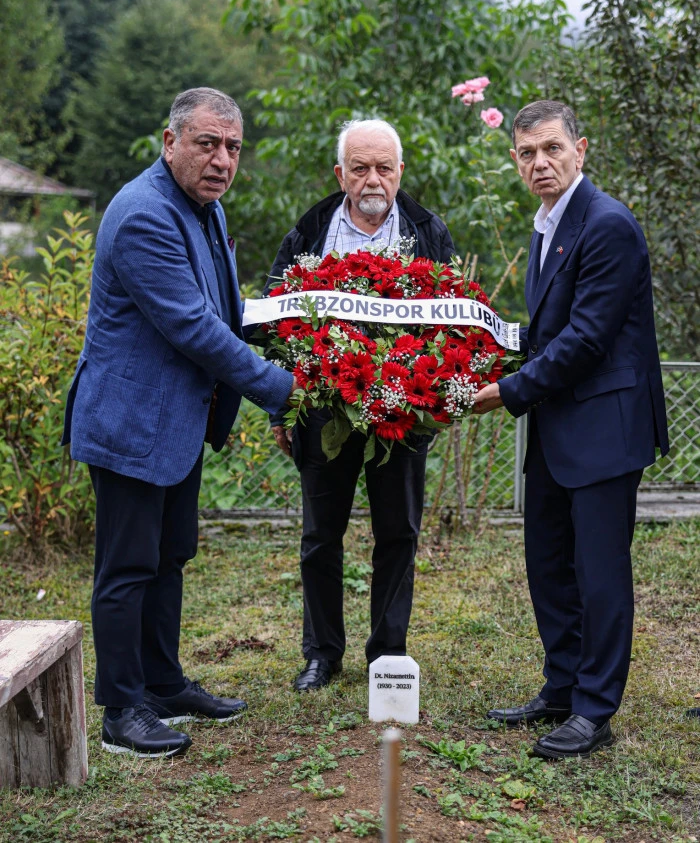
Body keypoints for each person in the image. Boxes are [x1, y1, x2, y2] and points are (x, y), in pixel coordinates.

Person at [62, 87, 297, 757]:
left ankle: (162, 684)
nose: (222, 160)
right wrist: (283, 388)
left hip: (174, 421)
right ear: (170, 143)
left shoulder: (204, 208)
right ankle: (121, 710)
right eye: (207, 144)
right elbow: (195, 327)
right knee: (128, 567)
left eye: (233, 148)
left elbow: (226, 309)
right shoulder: (144, 214)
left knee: (169, 556)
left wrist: (303, 332)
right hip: (130, 422)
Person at [473, 100, 669, 759]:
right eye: (528, 153)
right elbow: (547, 331)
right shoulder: (547, 224)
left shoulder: (607, 224)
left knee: (599, 574)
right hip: (559, 425)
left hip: (605, 428)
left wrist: (508, 391)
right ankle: (561, 687)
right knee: (549, 564)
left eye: (552, 148)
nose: (541, 163)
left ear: (580, 150)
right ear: (515, 160)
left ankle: (594, 710)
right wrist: (481, 347)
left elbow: (585, 339)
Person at [265, 119, 456, 691]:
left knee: (399, 533)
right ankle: (321, 654)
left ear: (400, 172)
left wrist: (434, 400)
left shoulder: (428, 231)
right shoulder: (309, 232)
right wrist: (281, 409)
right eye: (360, 168)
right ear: (340, 173)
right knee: (321, 536)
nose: (373, 179)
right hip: (324, 410)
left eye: (384, 168)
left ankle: (388, 654)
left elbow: (455, 318)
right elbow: (274, 324)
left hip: (403, 410)